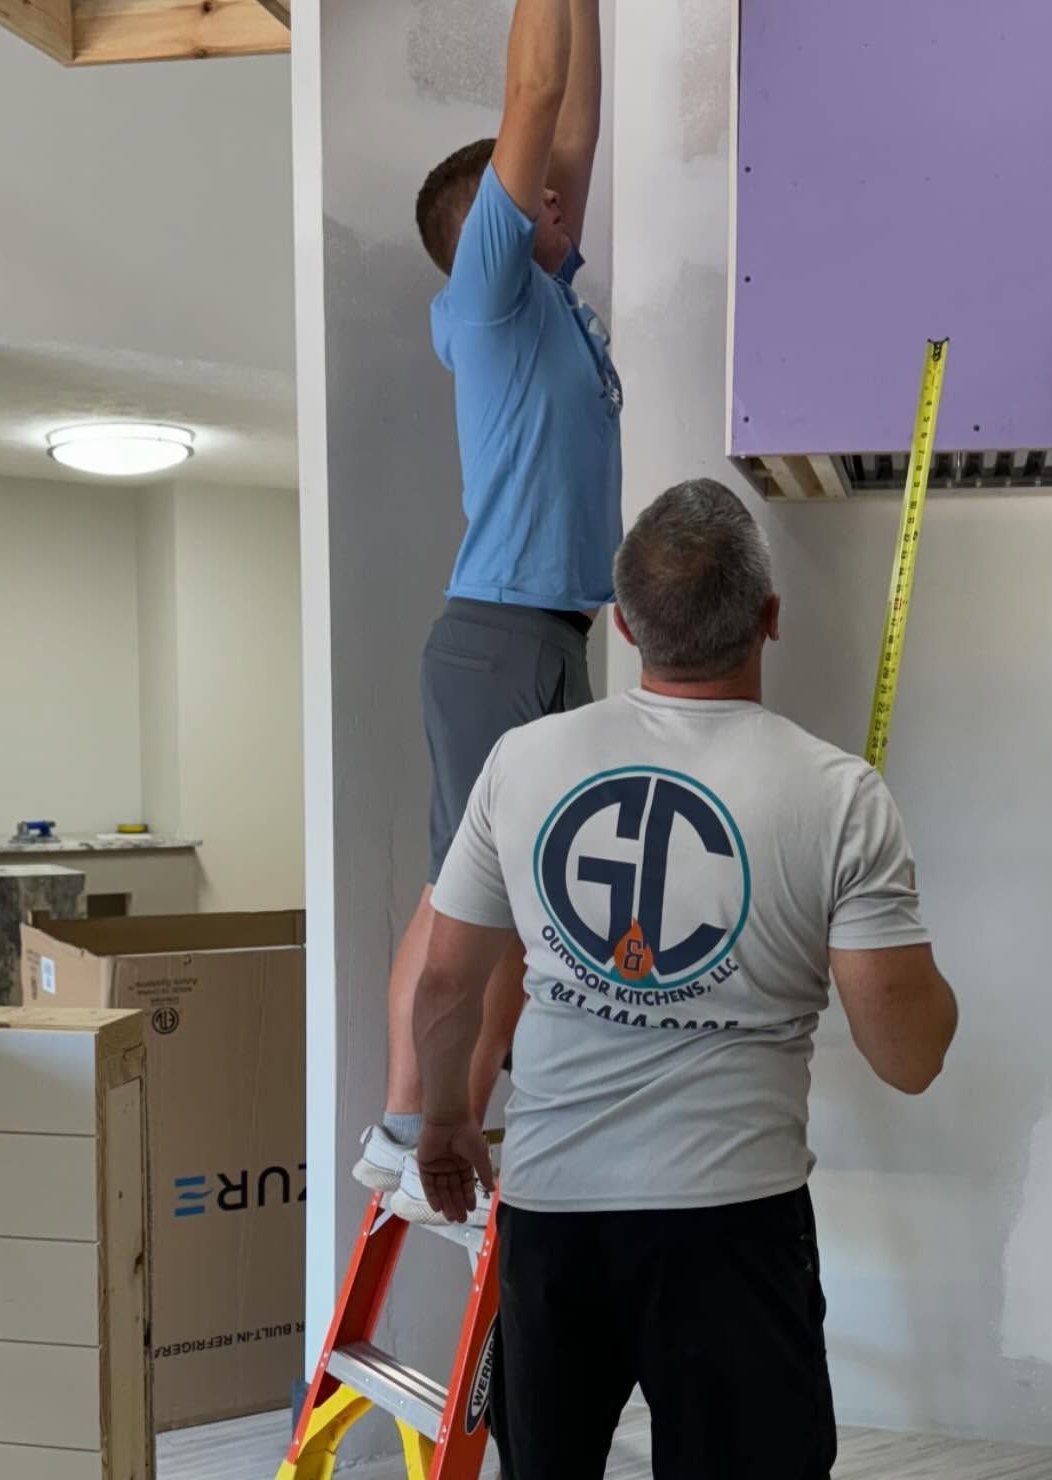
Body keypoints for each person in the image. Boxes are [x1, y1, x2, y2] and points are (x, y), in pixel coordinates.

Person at [413, 477, 959, 1480]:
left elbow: (447, 982)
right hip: (733, 1227)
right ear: (770, 619)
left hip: (551, 1215)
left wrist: (446, 1118)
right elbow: (910, 1058)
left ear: (622, 625)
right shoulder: (839, 794)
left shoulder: (521, 762)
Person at [352, 0, 629, 1222]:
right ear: (497, 234)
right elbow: (532, 99)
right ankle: (413, 1130)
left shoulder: (551, 315)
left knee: (496, 893)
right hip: (501, 634)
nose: (562, 188)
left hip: (543, 638)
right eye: (534, 199)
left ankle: (429, 1118)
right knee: (482, 903)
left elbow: (570, 122)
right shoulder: (491, 300)